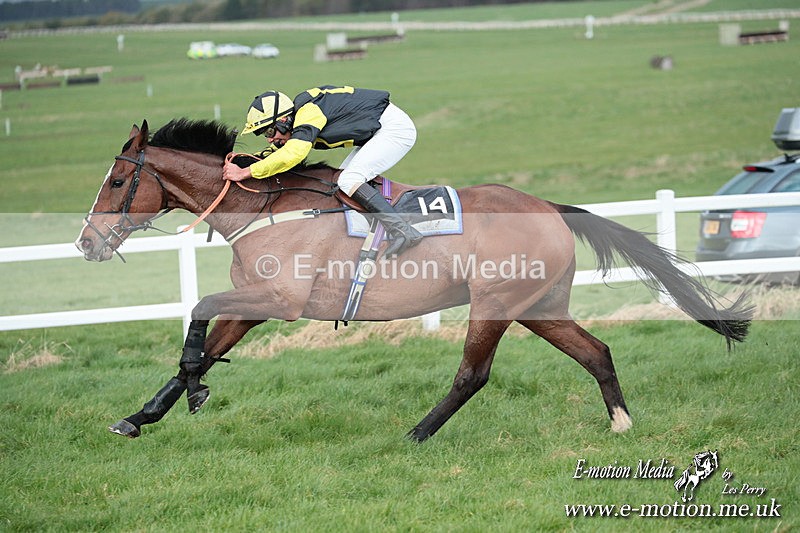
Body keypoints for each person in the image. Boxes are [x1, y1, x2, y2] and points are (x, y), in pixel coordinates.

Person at [223, 86, 423, 256]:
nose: (269, 138)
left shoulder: (309, 113)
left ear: (283, 120)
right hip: (377, 131)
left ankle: (403, 231)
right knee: (341, 183)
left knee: (348, 179)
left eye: (269, 131)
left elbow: (293, 154)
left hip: (393, 129)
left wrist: (246, 173)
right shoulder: (298, 121)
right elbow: (275, 153)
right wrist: (241, 162)